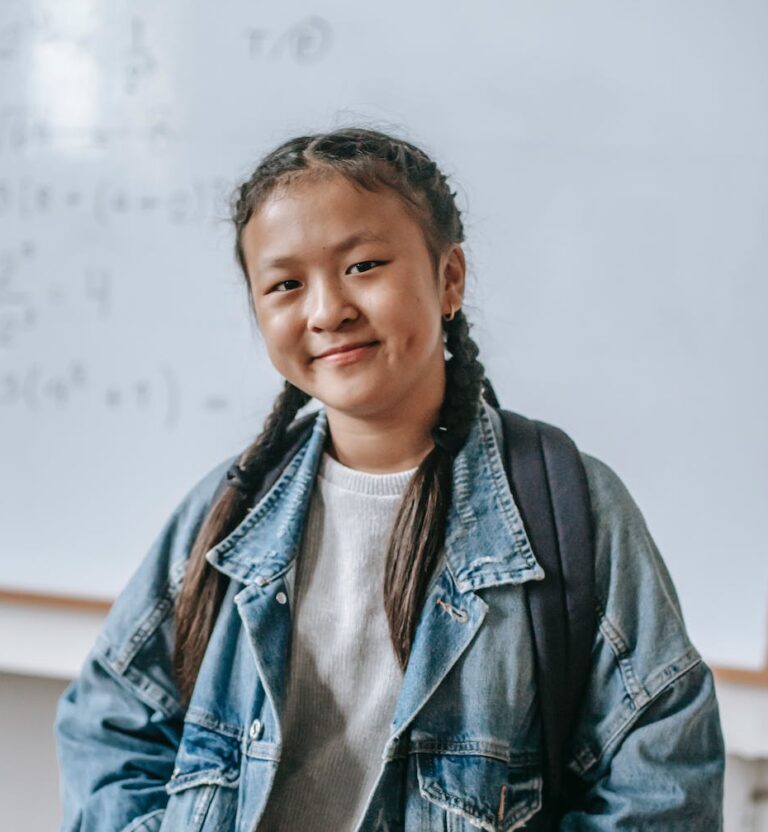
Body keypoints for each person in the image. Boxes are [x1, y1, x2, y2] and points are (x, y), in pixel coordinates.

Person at [55, 127, 725, 831]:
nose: (327, 311)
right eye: (285, 285)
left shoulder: (564, 507)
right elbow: (109, 728)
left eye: (364, 266)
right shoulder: (231, 511)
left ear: (449, 278)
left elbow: (664, 783)